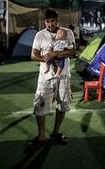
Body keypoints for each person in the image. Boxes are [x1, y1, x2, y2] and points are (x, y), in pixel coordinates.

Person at [28, 8, 76, 148]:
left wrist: (54, 54)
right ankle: (41, 135)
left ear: (57, 20)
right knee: (40, 104)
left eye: (52, 21)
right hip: (45, 76)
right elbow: (33, 55)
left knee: (62, 103)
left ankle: (56, 132)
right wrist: (46, 59)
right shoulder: (40, 35)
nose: (50, 24)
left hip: (63, 75)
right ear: (44, 22)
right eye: (47, 21)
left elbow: (72, 51)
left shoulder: (67, 33)